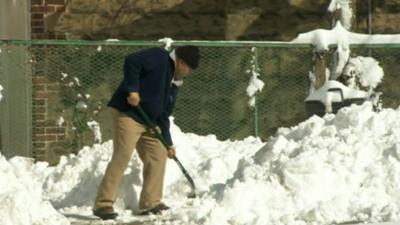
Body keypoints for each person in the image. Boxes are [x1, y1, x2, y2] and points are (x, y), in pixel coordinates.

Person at [92, 45, 200, 220]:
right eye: (188, 68)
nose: (188, 72)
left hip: (149, 121)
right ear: (180, 61)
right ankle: (103, 204)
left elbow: (164, 115)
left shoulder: (174, 83)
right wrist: (133, 89)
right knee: (122, 155)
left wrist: (168, 142)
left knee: (158, 155)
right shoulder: (159, 57)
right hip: (128, 113)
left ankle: (150, 203)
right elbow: (132, 61)